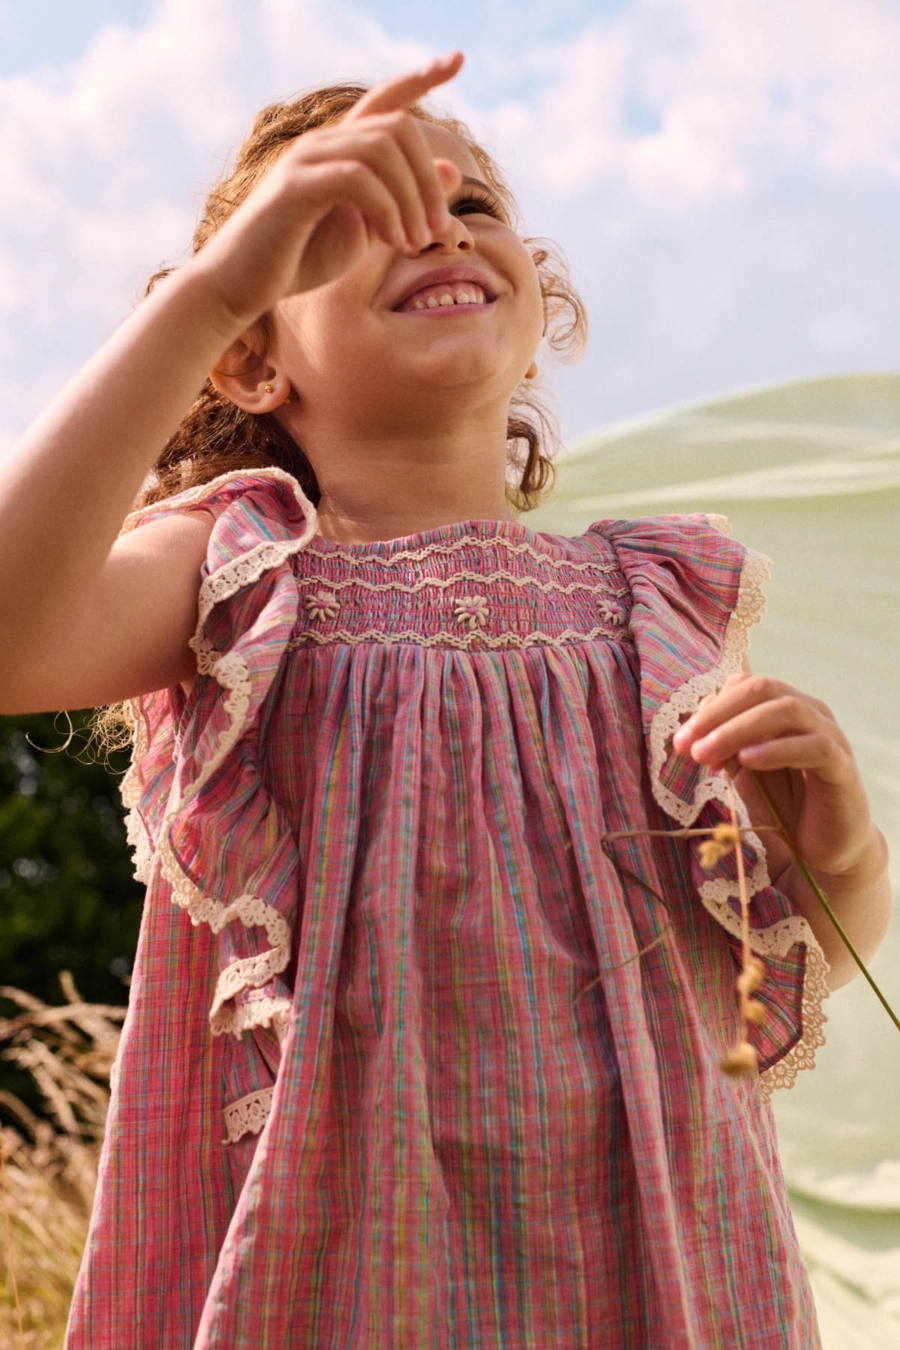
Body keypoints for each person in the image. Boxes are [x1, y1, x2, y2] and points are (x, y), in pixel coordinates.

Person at [0, 49, 890, 1350]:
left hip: (654, 1255)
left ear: (538, 305)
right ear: (250, 359)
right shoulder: (247, 576)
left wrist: (843, 856)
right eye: (344, 223)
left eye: (472, 203)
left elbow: (770, 962)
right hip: (354, 1264)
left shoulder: (653, 605)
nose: (437, 228)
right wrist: (211, 289)